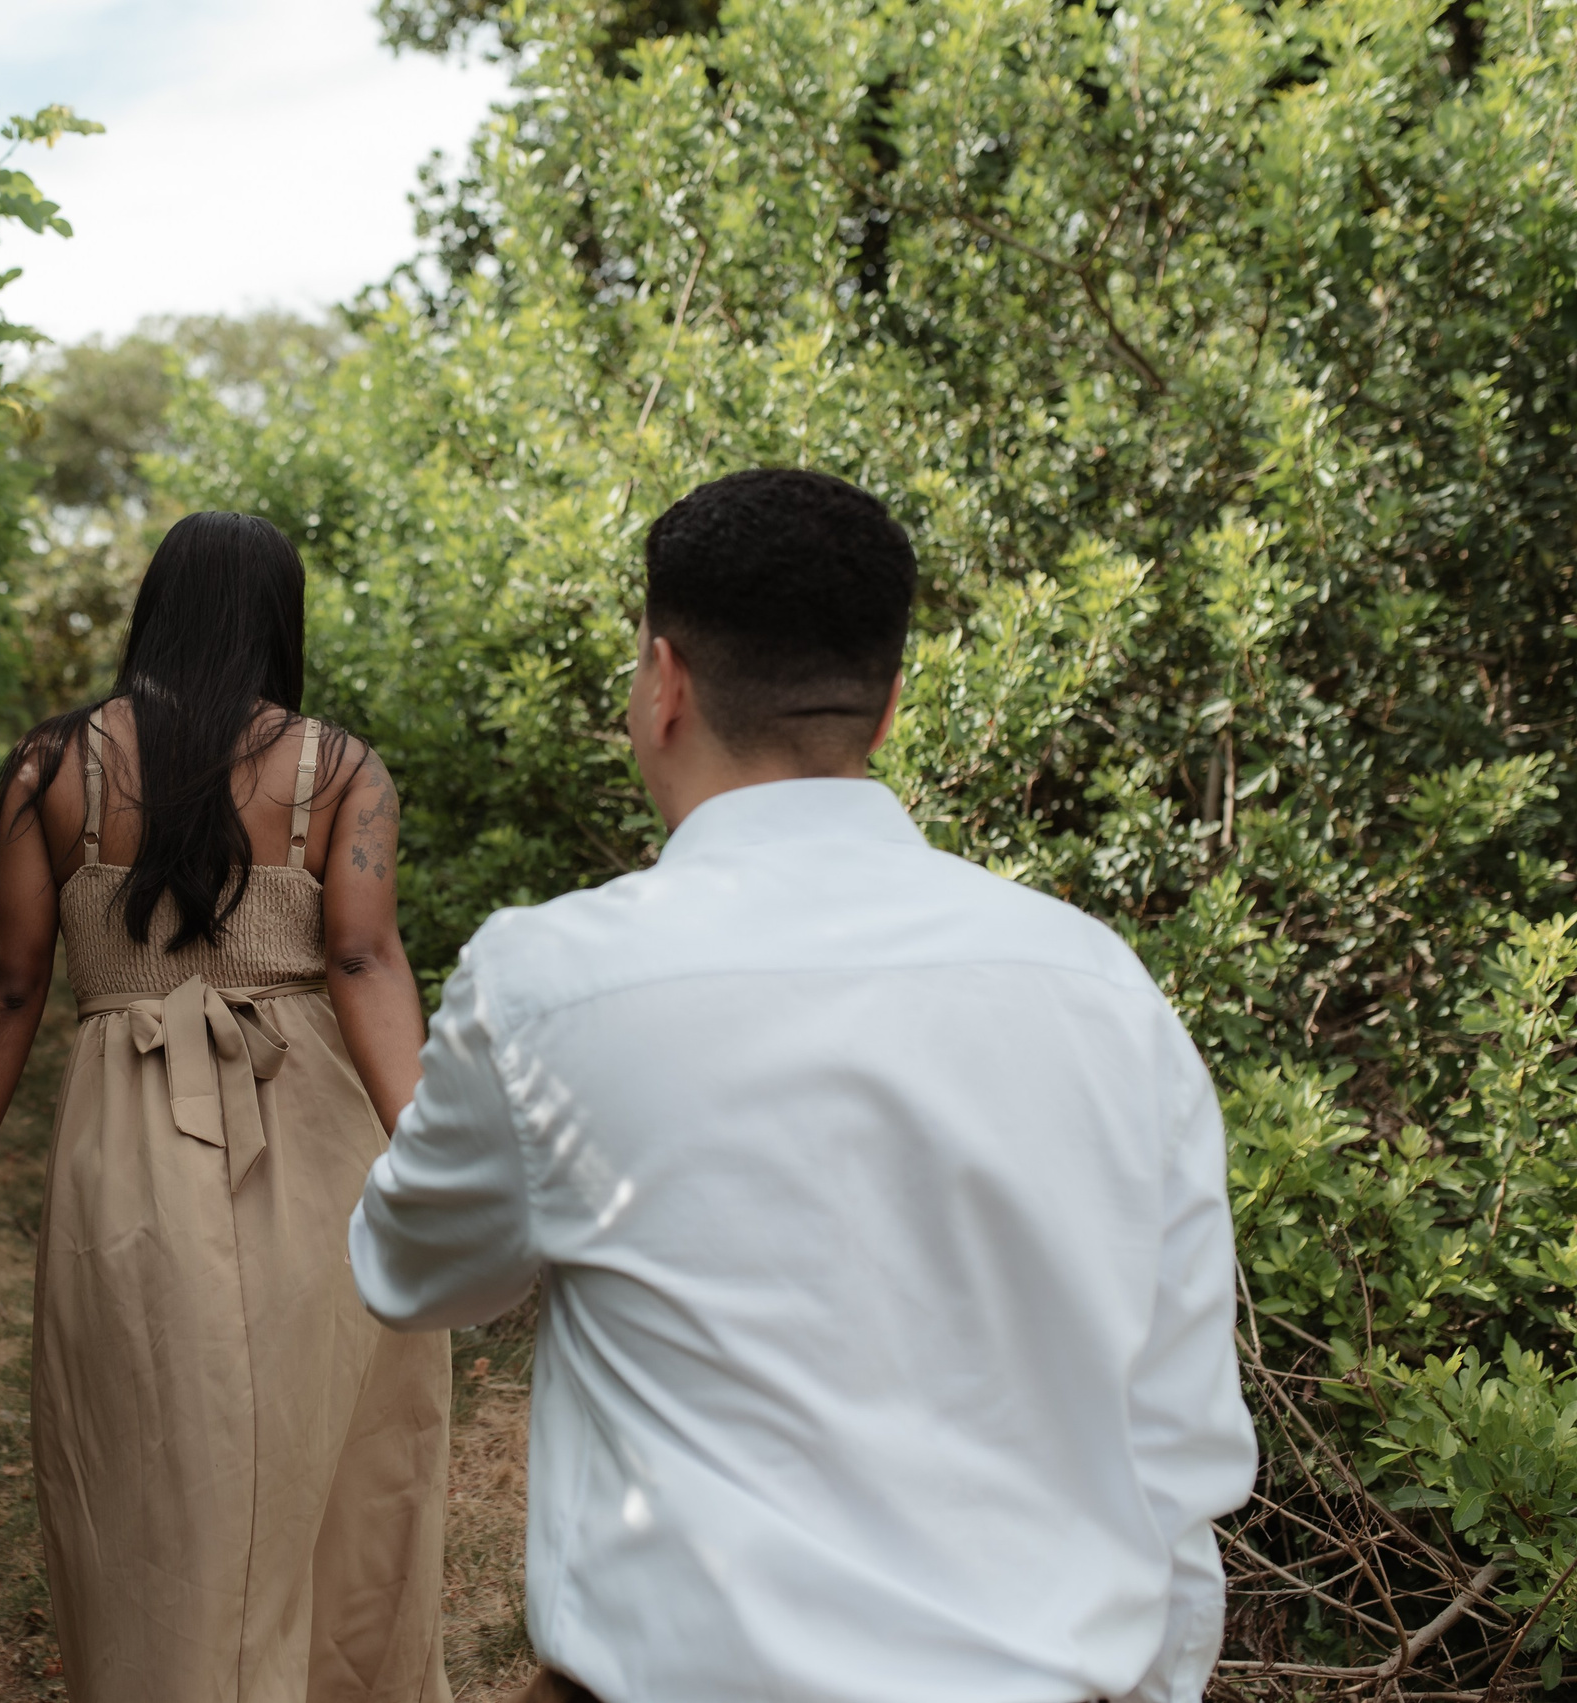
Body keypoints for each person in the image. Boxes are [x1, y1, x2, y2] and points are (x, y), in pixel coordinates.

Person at [348, 469, 1257, 1703]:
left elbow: (411, 1270)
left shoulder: (546, 984)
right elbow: (1177, 1444)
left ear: (663, 682)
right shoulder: (1103, 989)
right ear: (889, 703)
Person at [0, 510, 451, 1703]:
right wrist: (431, 1161)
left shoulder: (51, 767)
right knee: (336, 1451)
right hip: (312, 1124)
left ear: (154, 610)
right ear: (278, 623)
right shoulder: (340, 770)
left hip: (127, 1134)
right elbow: (363, 961)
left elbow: (8, 980)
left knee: (146, 1451)